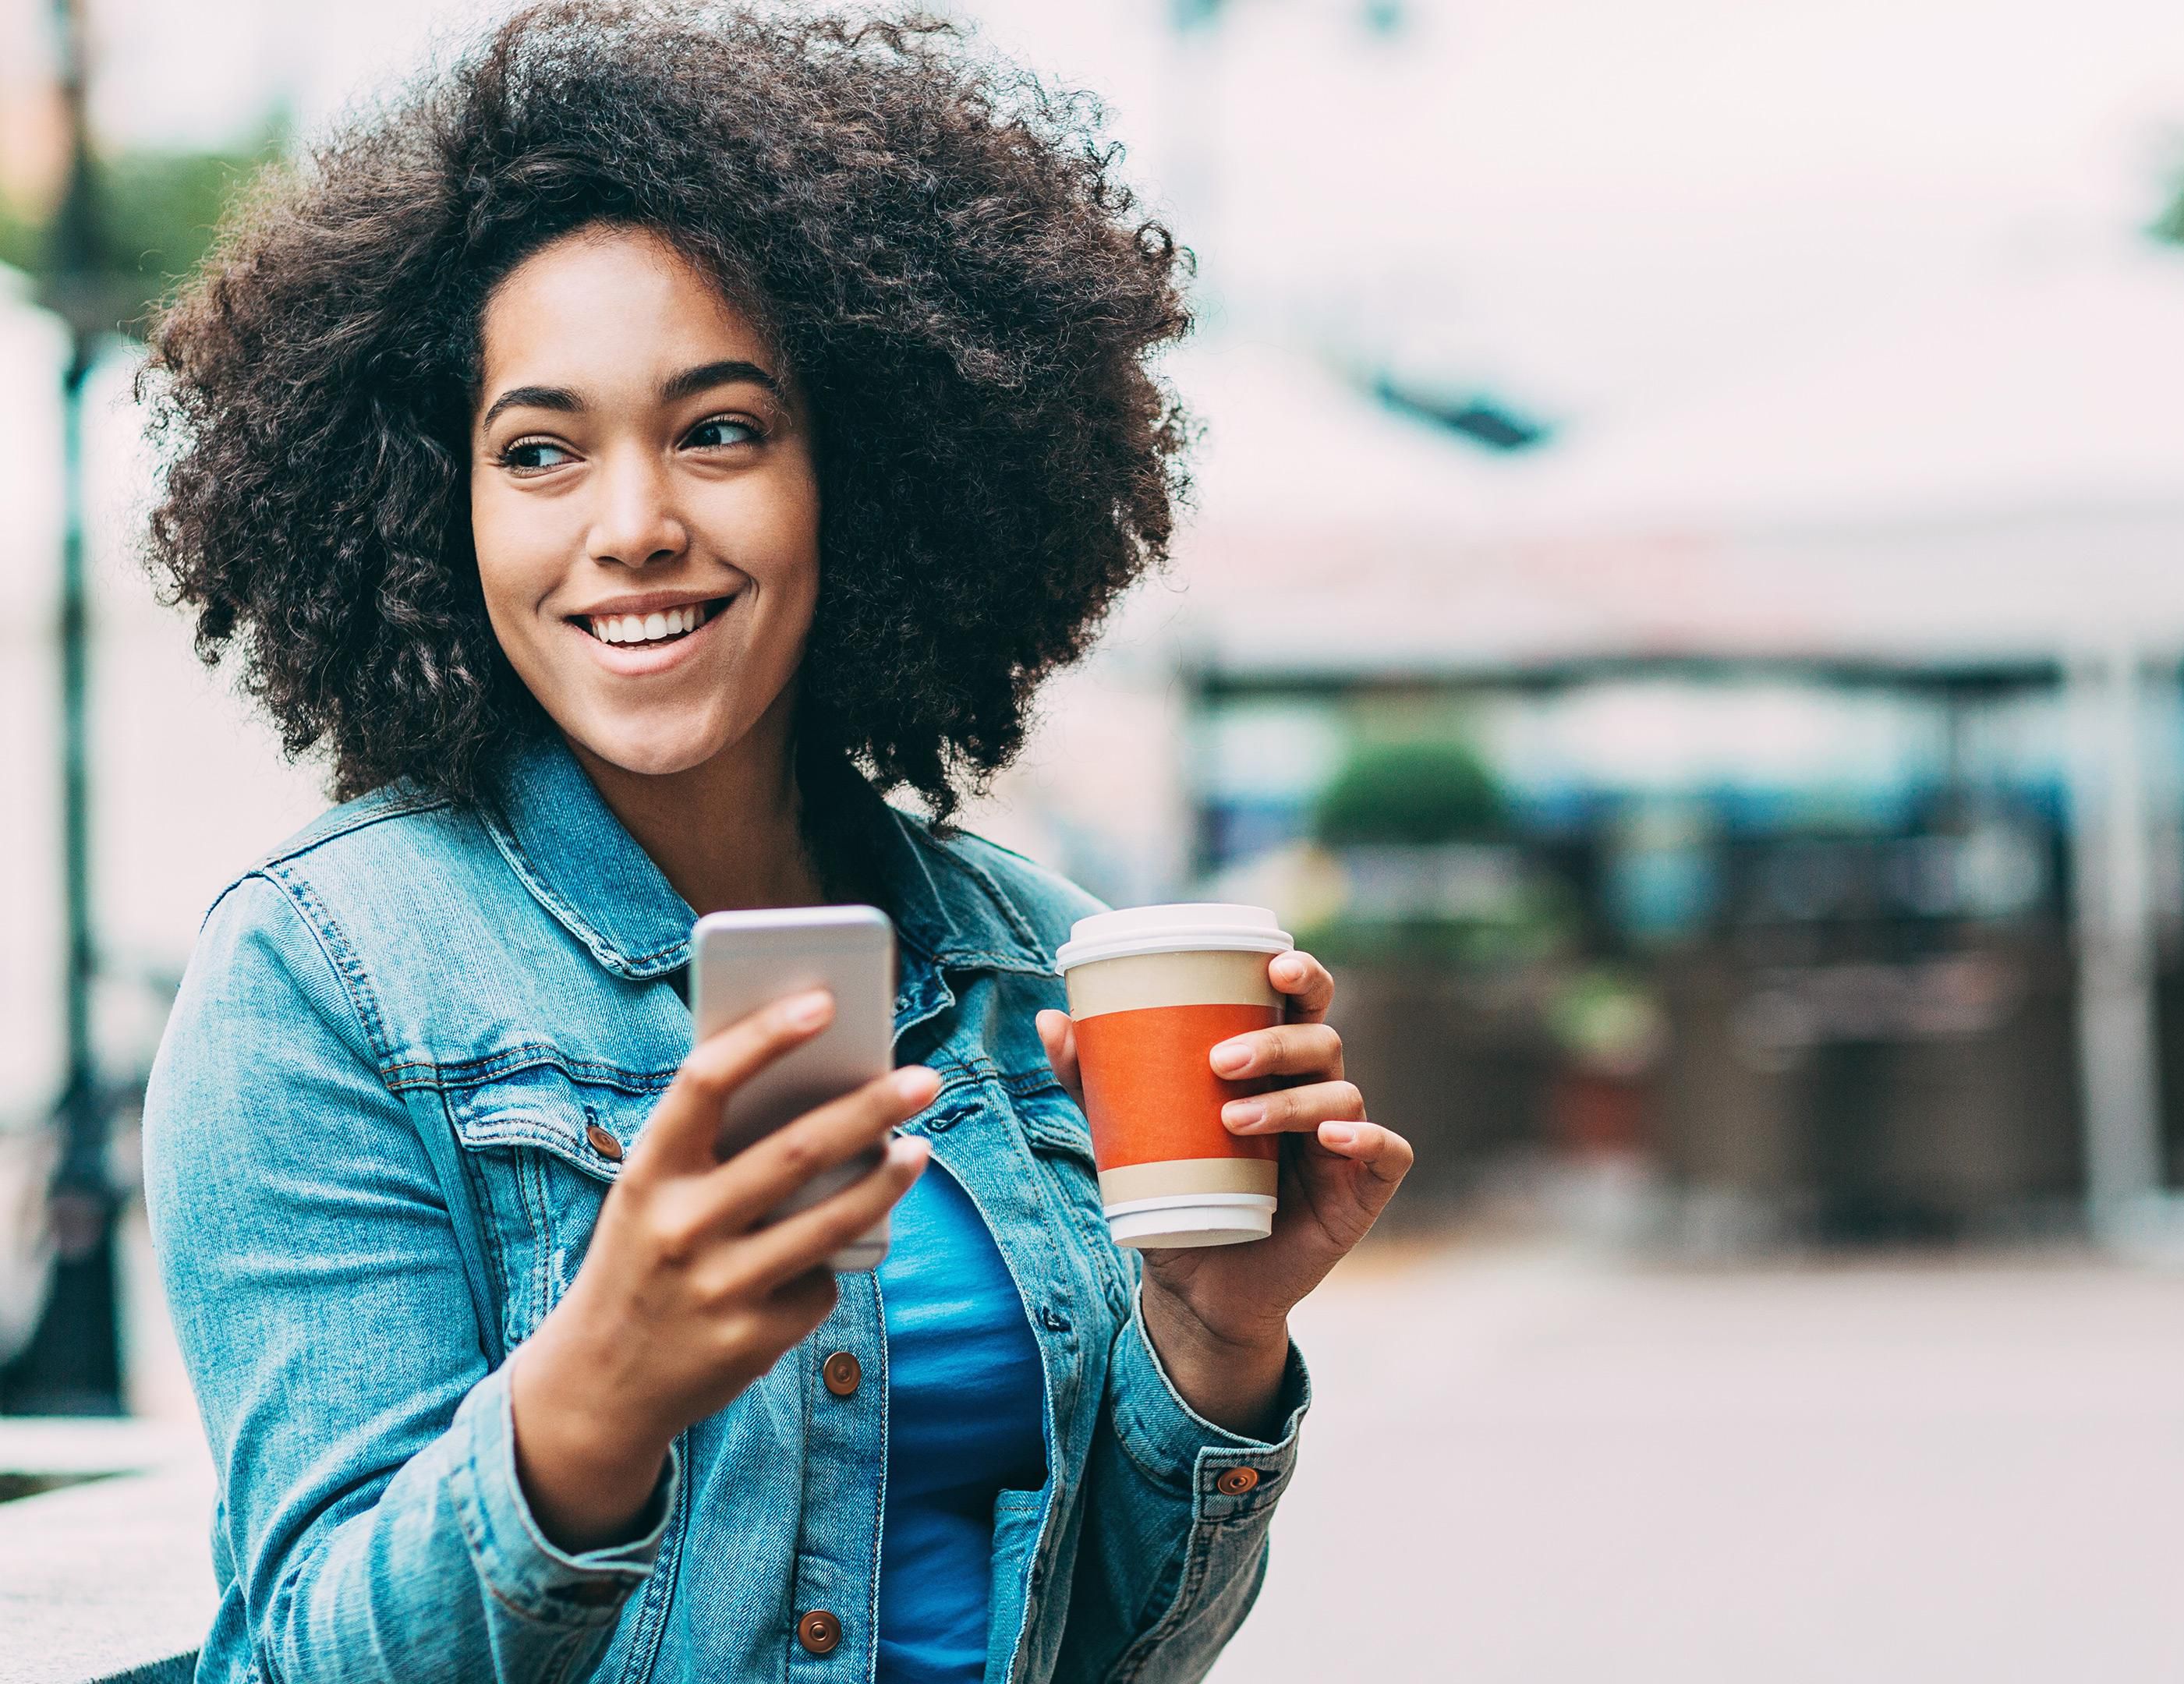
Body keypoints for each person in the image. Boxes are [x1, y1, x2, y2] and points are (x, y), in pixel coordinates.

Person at [137, 5, 1412, 1682]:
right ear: (440, 507)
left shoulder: (1036, 965)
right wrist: (589, 1403)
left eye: (720, 430)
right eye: (539, 452)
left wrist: (1215, 1334)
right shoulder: (330, 977)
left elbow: (1109, 1646)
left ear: (860, 474)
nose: (633, 525)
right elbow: (312, 1653)